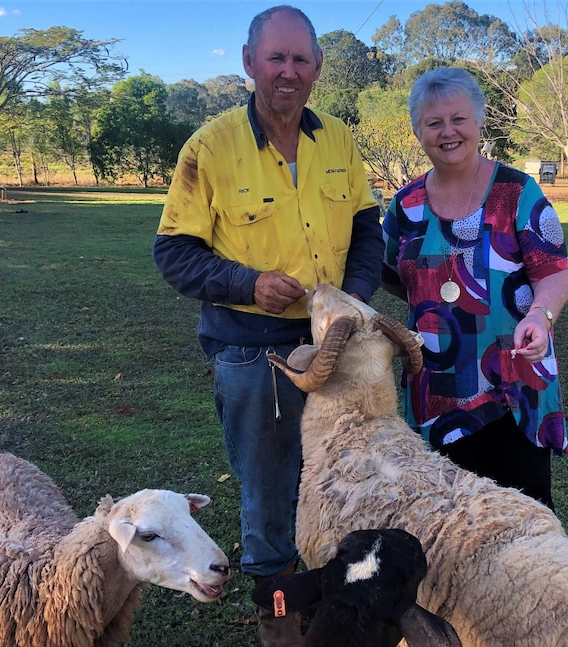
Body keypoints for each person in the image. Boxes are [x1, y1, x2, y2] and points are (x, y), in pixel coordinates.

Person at [152, 5, 383, 645]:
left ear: (317, 68)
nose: (288, 71)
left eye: (300, 59)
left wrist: (352, 299)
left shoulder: (337, 137)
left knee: (346, 477)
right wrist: (247, 283)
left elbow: (368, 227)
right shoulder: (210, 146)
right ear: (250, 63)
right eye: (275, 58)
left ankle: (349, 600)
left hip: (336, 345)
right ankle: (280, 616)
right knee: (269, 493)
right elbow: (173, 252)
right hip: (255, 354)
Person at [381, 67, 568, 511]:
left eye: (459, 119)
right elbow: (389, 273)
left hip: (513, 385)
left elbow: (554, 270)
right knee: (447, 524)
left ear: (480, 120)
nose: (448, 132)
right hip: (435, 389)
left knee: (523, 523)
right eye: (434, 123)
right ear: (418, 131)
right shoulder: (404, 207)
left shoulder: (517, 192)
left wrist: (539, 316)